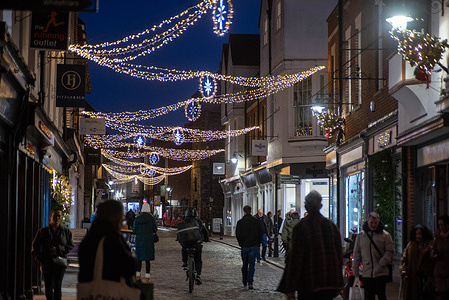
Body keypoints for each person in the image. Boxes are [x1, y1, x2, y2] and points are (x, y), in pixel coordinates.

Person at [277, 190, 343, 300]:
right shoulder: (331, 226)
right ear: (321, 205)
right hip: (329, 283)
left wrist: (290, 288)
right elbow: (338, 255)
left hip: (309, 282)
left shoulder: (302, 227)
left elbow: (295, 258)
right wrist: (339, 282)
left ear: (306, 206)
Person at [78, 200, 138, 286]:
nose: (122, 219)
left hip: (90, 290)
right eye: (121, 216)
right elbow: (128, 266)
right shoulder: (111, 239)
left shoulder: (90, 237)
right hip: (109, 290)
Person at [32, 209, 74, 300]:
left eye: (59, 216)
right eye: (55, 216)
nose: (57, 218)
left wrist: (58, 249)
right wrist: (40, 258)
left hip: (60, 262)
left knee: (58, 285)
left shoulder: (66, 232)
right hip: (47, 262)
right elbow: (35, 246)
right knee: (48, 286)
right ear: (50, 217)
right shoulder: (43, 232)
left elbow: (70, 246)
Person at [352, 212, 394, 300]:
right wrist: (355, 269)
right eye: (372, 223)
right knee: (368, 296)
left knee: (381, 294)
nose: (373, 225)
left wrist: (381, 264)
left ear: (378, 222)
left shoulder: (385, 236)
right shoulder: (361, 236)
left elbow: (389, 251)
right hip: (367, 272)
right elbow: (357, 253)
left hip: (381, 272)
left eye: (375, 223)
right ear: (367, 221)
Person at [400, 224, 434, 300]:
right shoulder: (411, 245)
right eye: (416, 234)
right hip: (412, 275)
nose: (418, 236)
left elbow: (431, 257)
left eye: (420, 234)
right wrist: (403, 269)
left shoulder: (428, 244)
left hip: (425, 276)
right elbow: (404, 258)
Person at [177, 207, 209, 285]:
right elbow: (205, 232)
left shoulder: (184, 222)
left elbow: (179, 233)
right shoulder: (199, 222)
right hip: (197, 243)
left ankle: (185, 263)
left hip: (187, 244)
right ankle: (198, 275)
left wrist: (179, 240)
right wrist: (206, 239)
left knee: (184, 249)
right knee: (198, 260)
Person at [236, 205, 262, 290]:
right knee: (251, 265)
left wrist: (241, 243)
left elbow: (238, 234)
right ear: (251, 211)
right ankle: (250, 283)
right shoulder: (256, 222)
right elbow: (260, 233)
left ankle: (244, 280)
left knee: (245, 264)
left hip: (244, 246)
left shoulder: (240, 222)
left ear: (244, 212)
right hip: (254, 245)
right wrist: (258, 243)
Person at [133, 203, 158, 283]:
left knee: (139, 259)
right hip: (148, 241)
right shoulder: (151, 219)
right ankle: (147, 277)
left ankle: (137, 275)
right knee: (147, 260)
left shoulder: (137, 218)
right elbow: (155, 229)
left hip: (139, 241)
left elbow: (134, 230)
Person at [433, 215, 449, 299]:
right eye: (439, 225)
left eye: (443, 225)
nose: (441, 227)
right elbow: (434, 250)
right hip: (439, 270)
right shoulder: (438, 238)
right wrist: (433, 254)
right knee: (440, 294)